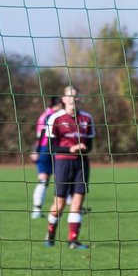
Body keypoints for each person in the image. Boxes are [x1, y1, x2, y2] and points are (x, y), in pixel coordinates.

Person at [43, 86, 95, 249]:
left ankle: (73, 240)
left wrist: (83, 149)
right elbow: (50, 147)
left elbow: (90, 145)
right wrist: (70, 149)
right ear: (63, 99)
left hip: (81, 163)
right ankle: (50, 233)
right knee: (59, 204)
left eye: (76, 96)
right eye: (69, 96)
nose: (72, 99)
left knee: (78, 202)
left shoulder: (87, 118)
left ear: (79, 99)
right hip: (63, 162)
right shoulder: (55, 118)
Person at [30, 96, 63, 219]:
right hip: (50, 148)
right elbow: (43, 134)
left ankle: (36, 210)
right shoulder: (52, 116)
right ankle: (74, 207)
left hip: (43, 149)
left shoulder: (44, 114)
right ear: (59, 104)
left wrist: (35, 150)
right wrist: (36, 150)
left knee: (44, 180)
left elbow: (38, 135)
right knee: (62, 177)